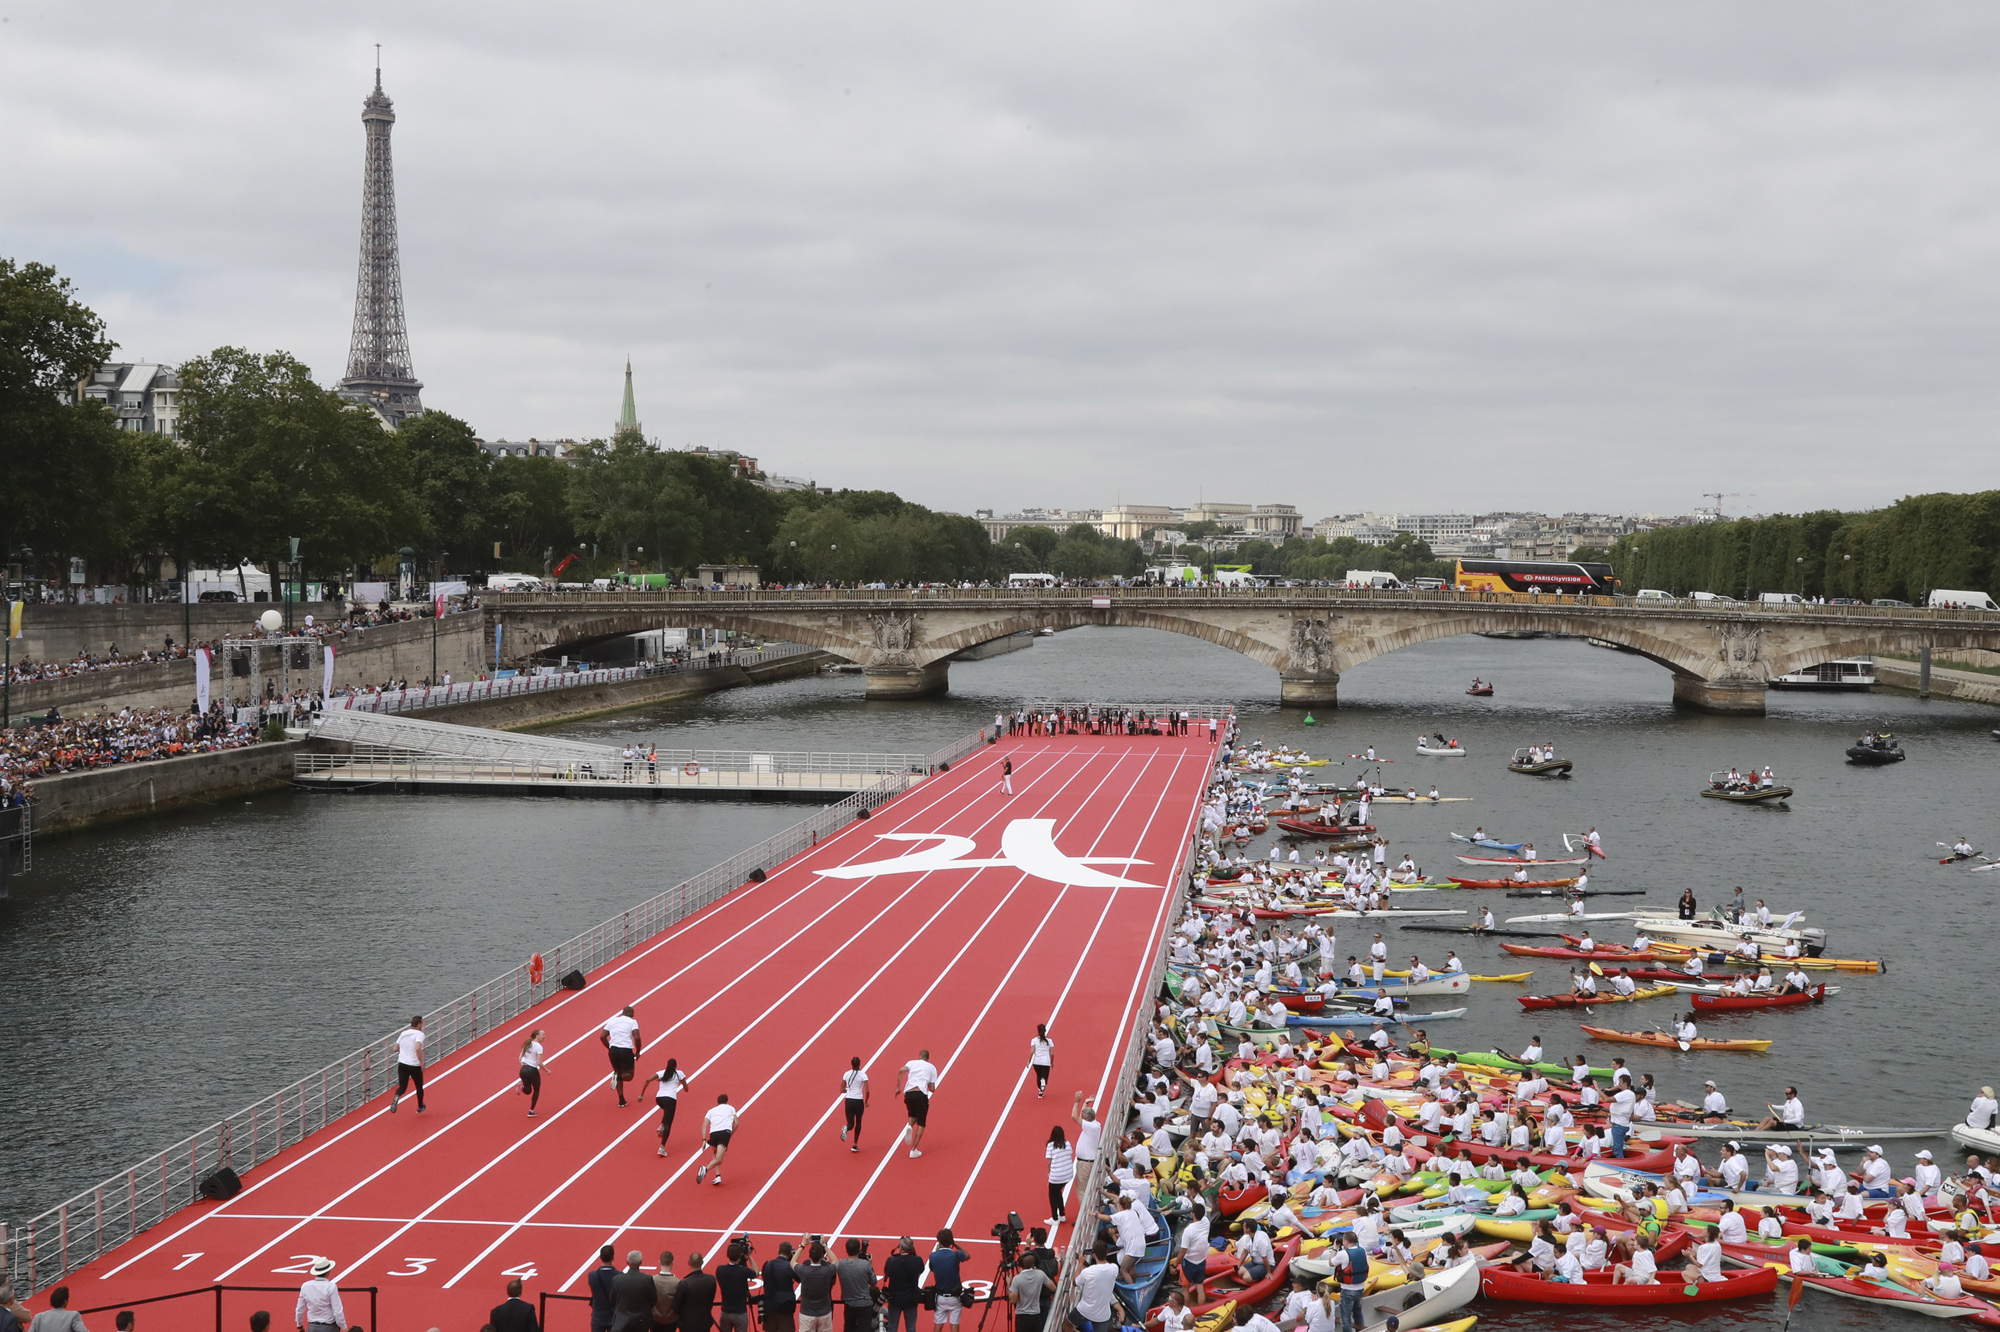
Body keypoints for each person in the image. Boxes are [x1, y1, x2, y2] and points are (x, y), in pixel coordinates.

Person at [641, 1058, 690, 1155]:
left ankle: (662, 1125)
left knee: (666, 1113)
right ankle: (662, 1147)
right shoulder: (679, 1073)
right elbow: (686, 1088)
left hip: (659, 1099)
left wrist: (641, 1095)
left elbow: (648, 1080)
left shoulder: (661, 1073)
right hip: (670, 1099)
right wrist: (684, 1086)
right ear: (675, 1066)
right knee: (669, 1123)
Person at [1066, 1244, 1119, 1332]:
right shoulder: (1114, 1268)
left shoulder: (1088, 1271)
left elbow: (1075, 1282)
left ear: (1093, 1254)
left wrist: (1080, 1264)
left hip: (1085, 1310)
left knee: (1068, 1324)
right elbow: (1106, 1267)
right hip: (1103, 1314)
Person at [898, 1050, 941, 1158]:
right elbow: (932, 1088)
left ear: (919, 1056)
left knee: (913, 1115)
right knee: (921, 1122)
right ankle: (913, 1150)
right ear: (928, 1058)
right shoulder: (931, 1067)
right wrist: (931, 1088)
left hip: (908, 1093)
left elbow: (901, 1070)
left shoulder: (911, 1063)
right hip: (920, 1093)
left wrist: (898, 1087)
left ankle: (909, 1126)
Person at [601, 1005, 644, 1106]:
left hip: (614, 1050)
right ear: (631, 1014)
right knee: (629, 1075)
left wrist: (610, 1047)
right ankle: (618, 1077)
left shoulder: (612, 1020)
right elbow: (637, 1038)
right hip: (626, 1050)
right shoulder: (632, 1022)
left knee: (617, 1072)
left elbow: (602, 1036)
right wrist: (638, 1051)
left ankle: (621, 1100)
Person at [927, 1230, 971, 1328]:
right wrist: (954, 1244)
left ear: (939, 1241)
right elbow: (967, 1255)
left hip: (940, 1297)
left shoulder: (933, 1256)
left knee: (938, 1326)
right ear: (950, 1241)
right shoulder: (956, 1255)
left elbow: (932, 1269)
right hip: (955, 1297)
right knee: (954, 1325)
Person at [881, 1238, 924, 1332]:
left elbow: (886, 1272)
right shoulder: (917, 1260)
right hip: (911, 1299)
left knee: (892, 1327)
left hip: (894, 1299)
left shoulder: (891, 1260)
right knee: (911, 1328)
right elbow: (921, 1270)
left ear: (900, 1247)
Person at [794, 1242, 838, 1332]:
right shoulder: (827, 1270)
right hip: (824, 1313)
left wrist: (802, 1245)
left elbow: (793, 1262)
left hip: (807, 1314)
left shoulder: (804, 1270)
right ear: (822, 1255)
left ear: (809, 1255)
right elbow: (836, 1261)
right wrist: (825, 1246)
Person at [295, 1258, 347, 1332]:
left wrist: (299, 1325)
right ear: (328, 1271)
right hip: (329, 1327)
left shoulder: (305, 1286)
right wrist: (344, 1327)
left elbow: (299, 1309)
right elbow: (337, 1310)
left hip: (312, 1327)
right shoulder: (331, 1287)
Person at [613, 1251, 660, 1332]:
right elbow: (653, 1300)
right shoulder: (647, 1279)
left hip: (622, 1322)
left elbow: (612, 1300)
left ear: (627, 1262)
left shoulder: (617, 1279)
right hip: (641, 1322)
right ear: (640, 1262)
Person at [697, 1094, 737, 1184]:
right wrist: (729, 1135)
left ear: (717, 1102)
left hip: (714, 1133)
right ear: (726, 1101)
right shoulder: (731, 1108)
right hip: (725, 1132)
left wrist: (704, 1140)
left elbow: (704, 1125)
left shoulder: (711, 1111)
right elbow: (737, 1123)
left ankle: (718, 1176)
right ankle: (705, 1169)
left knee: (715, 1153)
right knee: (719, 1159)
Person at [390, 1016, 426, 1114]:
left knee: (402, 1087)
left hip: (402, 1064)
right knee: (419, 1087)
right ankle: (420, 1106)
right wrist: (421, 1063)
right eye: (422, 1023)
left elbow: (395, 1049)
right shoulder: (420, 1034)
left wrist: (404, 1050)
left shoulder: (403, 1033)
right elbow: (418, 1048)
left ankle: (397, 1097)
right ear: (419, 1024)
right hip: (414, 1065)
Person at [717, 1241, 756, 1332]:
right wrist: (749, 1256)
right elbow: (756, 1272)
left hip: (725, 1312)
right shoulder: (744, 1271)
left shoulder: (720, 1270)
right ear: (740, 1255)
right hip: (740, 1313)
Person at [673, 1253, 717, 1332]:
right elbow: (711, 1298)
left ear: (689, 1263)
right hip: (704, 1322)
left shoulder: (685, 1283)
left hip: (687, 1325)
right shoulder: (711, 1279)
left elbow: (676, 1307)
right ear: (702, 1262)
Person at [1177, 1202, 1211, 1301]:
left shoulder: (1189, 1230)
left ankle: (1186, 1311)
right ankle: (1201, 1309)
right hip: (1201, 1260)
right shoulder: (1206, 1221)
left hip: (1189, 1262)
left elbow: (1183, 1250)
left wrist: (1175, 1264)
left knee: (1185, 1289)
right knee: (1200, 1288)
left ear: (1193, 1214)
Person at [1008, 1261, 1055, 1332]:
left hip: (1022, 1317)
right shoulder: (1040, 1274)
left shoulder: (1017, 1279)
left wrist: (1008, 1284)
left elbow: (1012, 1300)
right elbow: (1053, 1288)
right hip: (1036, 1315)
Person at [1046, 1126, 1076, 1227]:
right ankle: (1062, 1215)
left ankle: (1055, 1218)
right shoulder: (1067, 1143)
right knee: (1058, 1192)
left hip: (1056, 1176)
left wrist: (1049, 1175)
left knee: (1052, 1195)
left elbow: (1049, 1162)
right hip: (1068, 1175)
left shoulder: (1050, 1145)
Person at [838, 1057, 870, 1151]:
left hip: (849, 1100)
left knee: (851, 1124)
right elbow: (867, 1090)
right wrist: (866, 1101)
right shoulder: (863, 1075)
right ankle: (855, 1144)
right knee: (858, 1122)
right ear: (859, 1064)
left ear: (851, 1064)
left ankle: (846, 1128)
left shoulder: (846, 1074)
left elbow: (841, 1089)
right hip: (858, 1101)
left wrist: (846, 1090)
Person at [588, 1248, 619, 1332]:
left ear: (600, 1257)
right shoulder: (619, 1276)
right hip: (613, 1317)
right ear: (613, 1257)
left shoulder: (592, 1275)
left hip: (598, 1316)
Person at [519, 1028, 546, 1117]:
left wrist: (524, 1066)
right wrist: (547, 1070)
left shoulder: (527, 1043)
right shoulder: (539, 1046)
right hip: (532, 1070)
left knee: (528, 1091)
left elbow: (520, 1058)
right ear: (537, 1036)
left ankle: (522, 1086)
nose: (544, 1037)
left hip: (523, 1069)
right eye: (543, 1035)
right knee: (536, 1089)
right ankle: (531, 1111)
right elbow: (539, 1063)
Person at [654, 1254, 683, 1332]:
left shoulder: (652, 1280)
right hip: (671, 1320)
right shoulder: (677, 1282)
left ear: (659, 1262)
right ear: (672, 1263)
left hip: (655, 1319)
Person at [1030, 1025, 1054, 1098]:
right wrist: (1052, 1062)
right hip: (1046, 1062)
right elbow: (1052, 1053)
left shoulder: (1034, 1040)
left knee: (1038, 1076)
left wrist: (1029, 1061)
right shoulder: (1049, 1041)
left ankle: (1040, 1092)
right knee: (1044, 1076)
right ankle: (1043, 1083)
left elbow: (1032, 1051)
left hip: (1036, 1061)